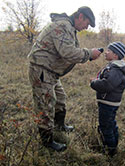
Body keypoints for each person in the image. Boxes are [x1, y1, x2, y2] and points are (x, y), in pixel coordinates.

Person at [28, 6, 102, 152]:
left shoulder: (68, 27)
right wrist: (89, 54)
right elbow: (68, 52)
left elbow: (68, 50)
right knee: (45, 104)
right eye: (86, 23)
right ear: (80, 17)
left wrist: (88, 54)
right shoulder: (62, 25)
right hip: (42, 69)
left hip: (51, 71)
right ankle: (47, 142)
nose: (86, 27)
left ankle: (59, 126)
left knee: (60, 98)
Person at [90, 41, 125, 157]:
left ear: (116, 55)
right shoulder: (113, 66)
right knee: (110, 124)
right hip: (108, 102)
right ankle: (113, 145)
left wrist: (93, 83)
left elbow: (107, 85)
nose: (105, 52)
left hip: (108, 103)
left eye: (109, 51)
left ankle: (110, 151)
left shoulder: (116, 70)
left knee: (105, 127)